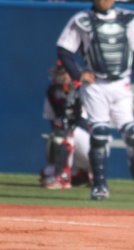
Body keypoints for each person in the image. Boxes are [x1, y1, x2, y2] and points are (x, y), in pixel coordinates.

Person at [56, 0, 134, 201]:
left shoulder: (128, 19)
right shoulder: (82, 20)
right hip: (96, 86)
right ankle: (99, 187)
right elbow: (64, 49)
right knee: (100, 134)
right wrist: (77, 74)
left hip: (121, 85)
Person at [40, 60, 92, 189]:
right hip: (73, 144)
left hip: (91, 143)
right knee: (47, 172)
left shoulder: (84, 89)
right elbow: (53, 121)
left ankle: (64, 176)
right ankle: (80, 174)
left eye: (61, 74)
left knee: (66, 132)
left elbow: (86, 123)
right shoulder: (52, 93)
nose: (57, 77)